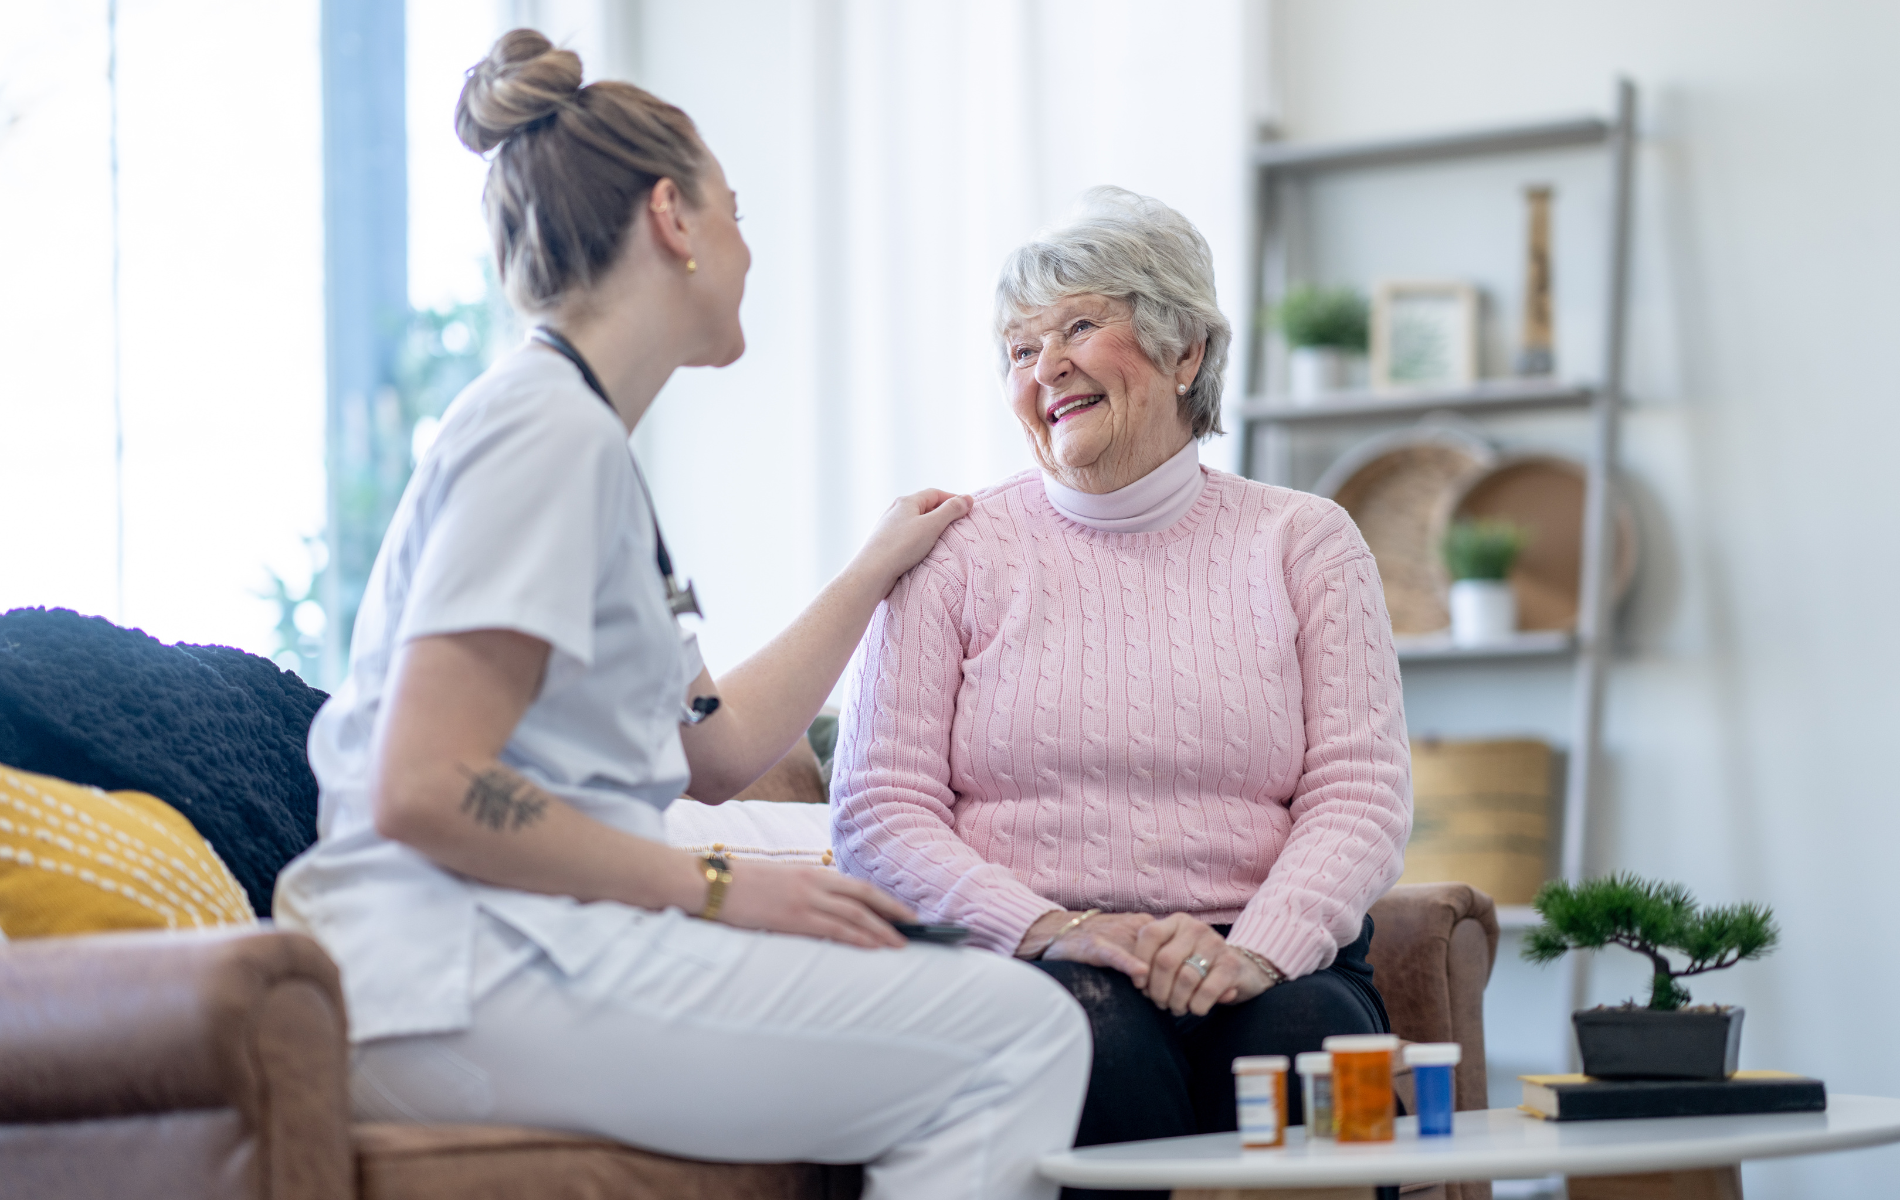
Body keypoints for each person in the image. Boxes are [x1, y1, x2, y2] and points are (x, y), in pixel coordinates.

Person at [273, 31, 1088, 1200]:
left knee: (989, 1012)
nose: (748, 250)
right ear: (673, 219)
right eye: (735, 211)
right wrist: (725, 891)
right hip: (452, 969)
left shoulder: (579, 443)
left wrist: (870, 571)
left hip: (497, 955)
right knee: (1018, 1033)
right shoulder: (542, 434)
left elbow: (714, 747)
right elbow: (423, 781)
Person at [831, 187, 1412, 1197]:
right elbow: (878, 812)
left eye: (1077, 327)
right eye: (1018, 348)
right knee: (1091, 1030)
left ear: (1183, 349)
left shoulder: (1303, 540)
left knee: (1299, 1038)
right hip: (1033, 950)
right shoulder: (953, 552)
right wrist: (1060, 929)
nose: (1042, 365)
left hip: (1266, 951)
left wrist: (1257, 954)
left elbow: (1359, 794)